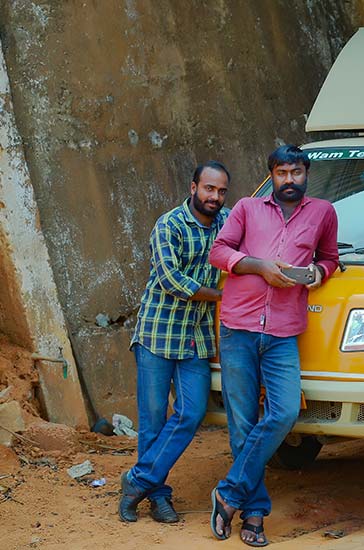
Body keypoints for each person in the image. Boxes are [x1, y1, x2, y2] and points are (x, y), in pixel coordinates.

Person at [207, 144, 339, 546]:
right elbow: (219, 252)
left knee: (284, 412)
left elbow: (330, 258)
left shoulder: (323, 212)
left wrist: (316, 273)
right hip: (238, 327)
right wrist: (260, 267)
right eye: (282, 173)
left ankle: (228, 493)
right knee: (242, 424)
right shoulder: (247, 208)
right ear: (272, 176)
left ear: (306, 174)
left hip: (283, 331)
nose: (289, 180)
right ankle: (254, 514)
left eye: (296, 172)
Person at [119, 161, 231, 523]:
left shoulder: (228, 222)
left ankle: (137, 481)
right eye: (209, 188)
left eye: (221, 191)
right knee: (153, 420)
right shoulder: (169, 225)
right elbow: (171, 280)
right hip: (158, 333)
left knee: (192, 413)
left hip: (197, 336)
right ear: (193, 187)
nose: (215, 197)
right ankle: (158, 496)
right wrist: (222, 296)